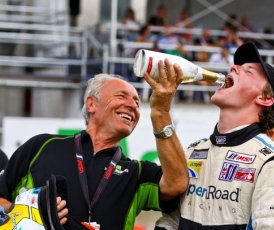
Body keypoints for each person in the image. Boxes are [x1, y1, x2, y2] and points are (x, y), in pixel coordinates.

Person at [0, 73, 188, 229]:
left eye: (137, 103)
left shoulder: (136, 173)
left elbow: (177, 183)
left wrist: (161, 114)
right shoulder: (42, 146)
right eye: (122, 96)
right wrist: (27, 213)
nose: (132, 105)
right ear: (91, 104)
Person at [154, 42, 274, 229]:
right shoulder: (193, 152)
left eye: (249, 71)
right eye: (237, 66)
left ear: (264, 98)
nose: (233, 67)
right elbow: (170, 221)